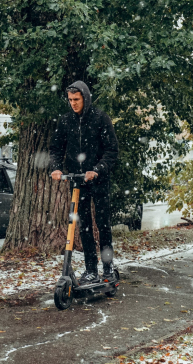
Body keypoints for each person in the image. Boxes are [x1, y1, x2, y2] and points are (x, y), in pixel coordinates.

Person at [49, 81, 119, 285]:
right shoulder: (65, 121)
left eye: (76, 99)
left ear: (85, 98)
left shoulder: (100, 118)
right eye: (70, 100)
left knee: (103, 224)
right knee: (84, 226)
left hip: (98, 179)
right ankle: (90, 269)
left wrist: (97, 170)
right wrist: (55, 168)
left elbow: (111, 150)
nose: (73, 103)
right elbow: (55, 148)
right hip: (77, 182)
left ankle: (108, 267)